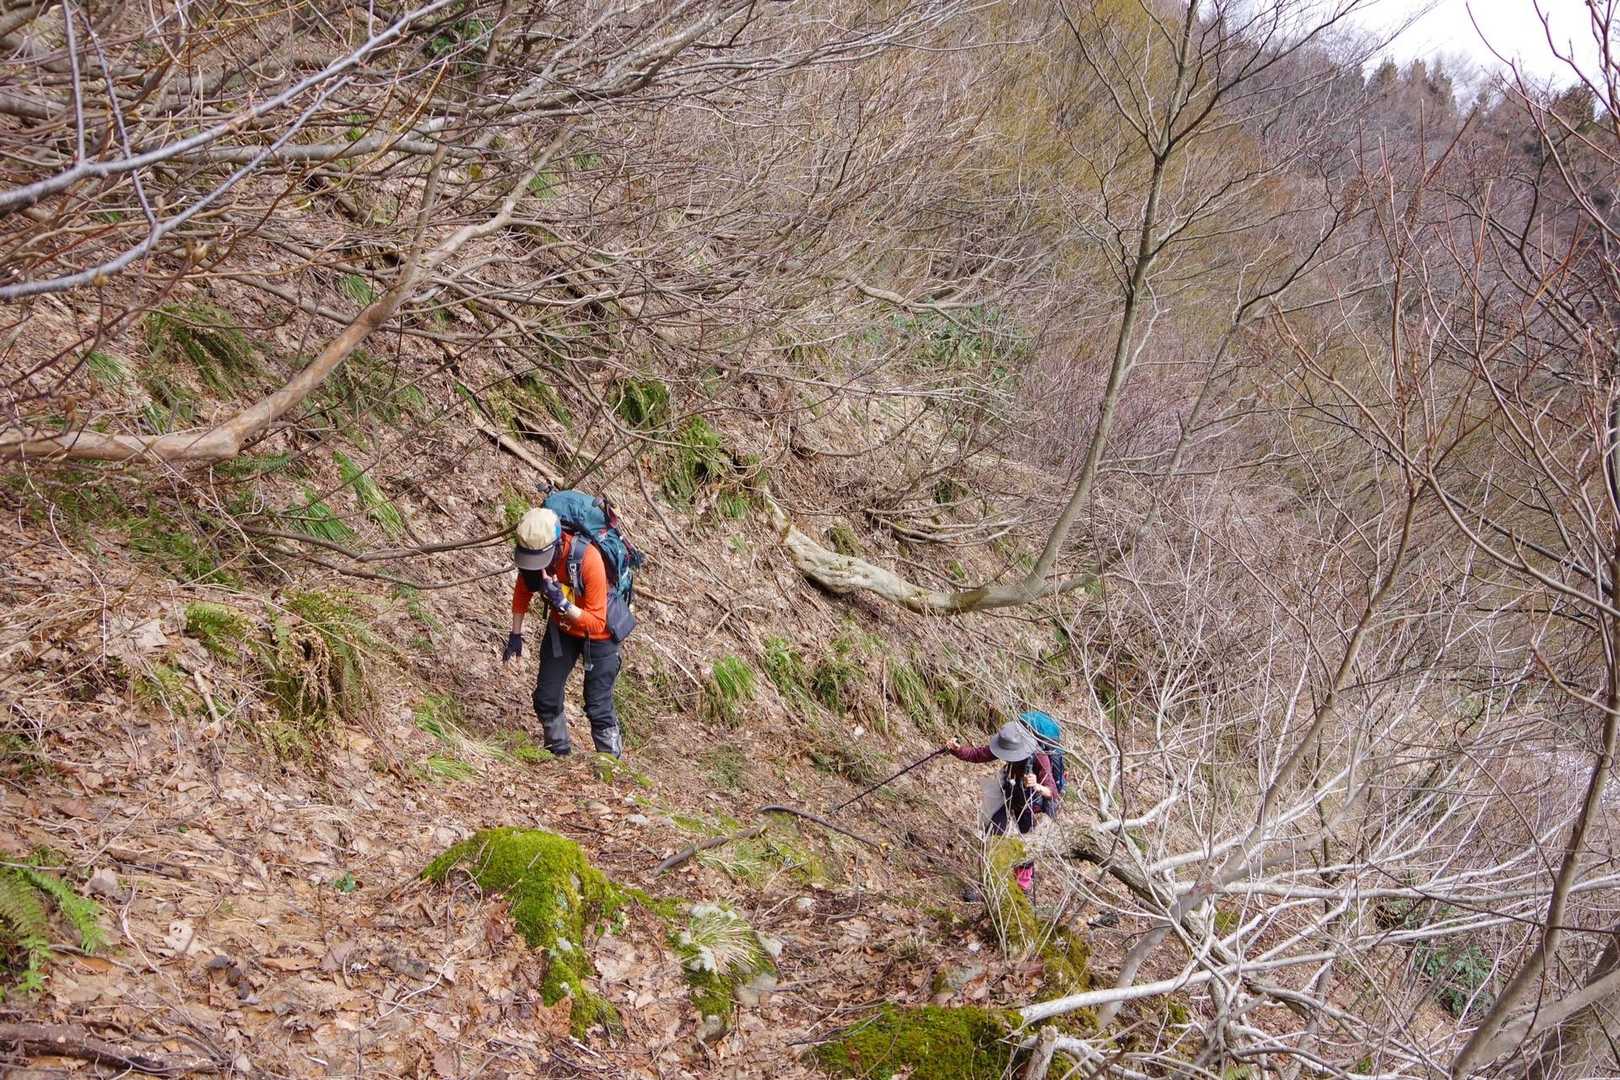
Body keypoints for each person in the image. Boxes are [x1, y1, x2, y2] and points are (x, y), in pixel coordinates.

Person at [501, 507, 623, 758]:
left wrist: (565, 605)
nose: (536, 567)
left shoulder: (588, 559)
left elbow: (596, 622)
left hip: (599, 636)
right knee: (546, 697)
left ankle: (611, 766)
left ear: (557, 545)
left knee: (598, 706)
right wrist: (515, 633)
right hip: (562, 631)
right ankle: (559, 756)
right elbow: (523, 589)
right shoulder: (534, 559)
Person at [946, 721, 1055, 898]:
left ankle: (1022, 887)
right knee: (993, 835)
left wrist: (1037, 786)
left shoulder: (1039, 756)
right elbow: (978, 754)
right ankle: (986, 883)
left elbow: (1052, 791)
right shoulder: (1006, 744)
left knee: (1027, 843)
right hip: (1008, 790)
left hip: (1029, 801)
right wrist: (957, 750)